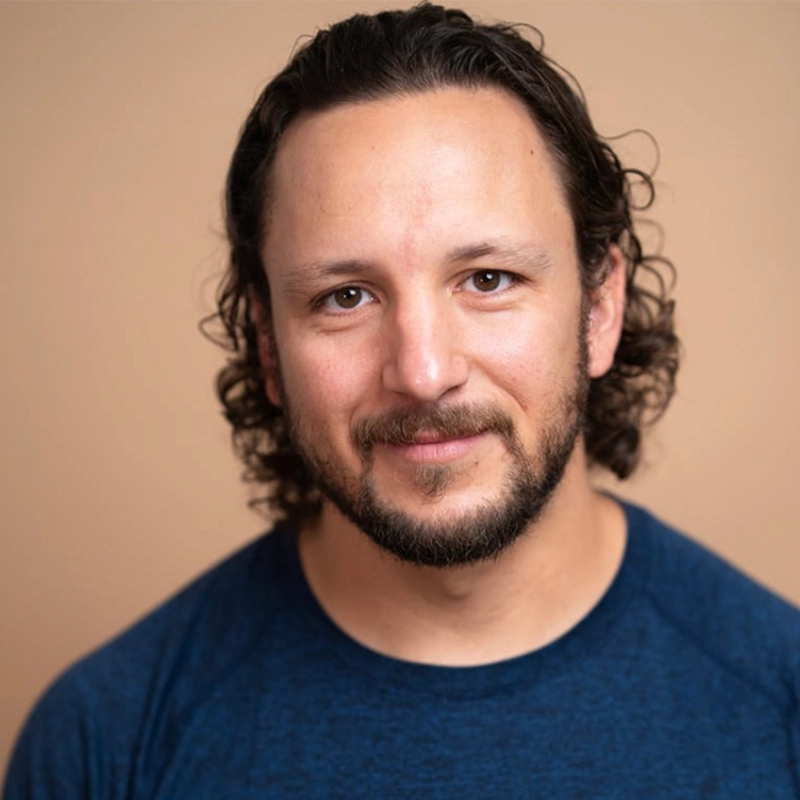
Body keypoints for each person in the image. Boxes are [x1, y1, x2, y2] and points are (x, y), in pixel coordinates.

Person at [4, 4, 799, 798]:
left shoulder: (781, 704)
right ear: (267, 346)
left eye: (489, 280)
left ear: (599, 309)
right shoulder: (103, 745)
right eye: (346, 296)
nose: (422, 372)